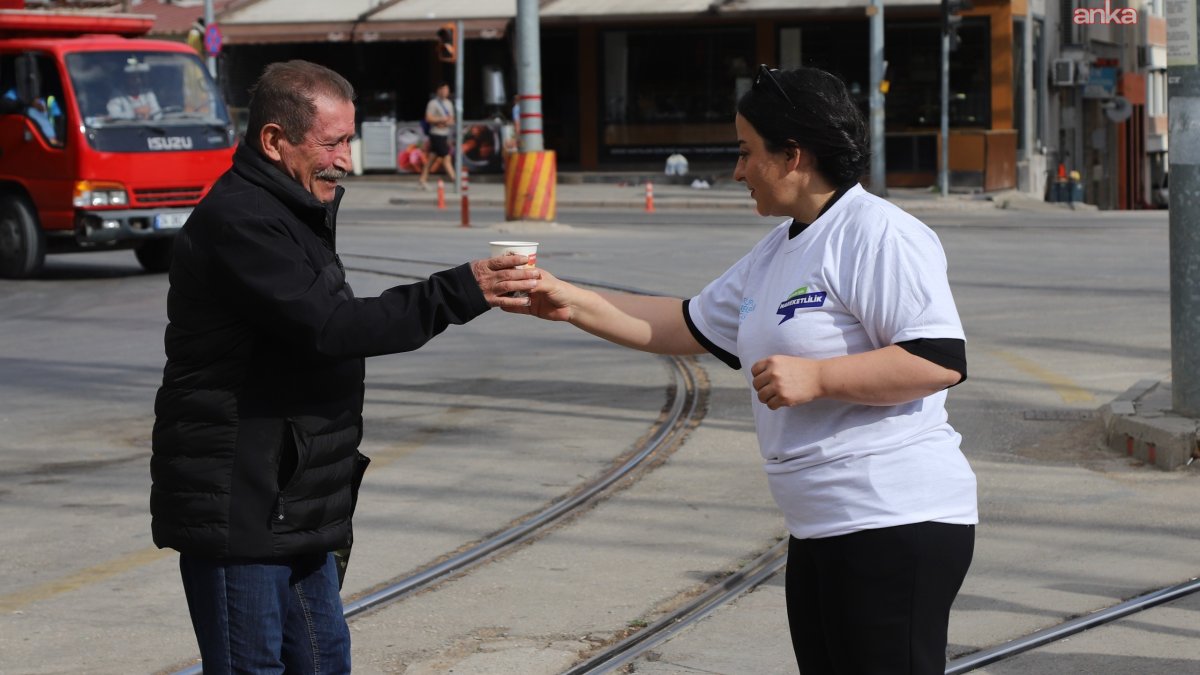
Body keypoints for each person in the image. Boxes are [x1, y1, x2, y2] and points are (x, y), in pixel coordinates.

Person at [511, 65, 976, 674]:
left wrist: (819, 378)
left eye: (745, 152)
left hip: (895, 518)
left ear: (793, 156)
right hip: (819, 526)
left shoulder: (877, 233)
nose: (736, 172)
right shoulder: (780, 249)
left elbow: (937, 359)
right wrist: (567, 300)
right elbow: (683, 323)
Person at [149, 60, 539, 672]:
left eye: (348, 139)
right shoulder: (241, 221)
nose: (347, 159)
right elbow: (332, 326)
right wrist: (461, 290)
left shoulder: (291, 208)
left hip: (299, 497)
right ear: (275, 141)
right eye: (332, 143)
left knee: (325, 662)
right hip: (244, 506)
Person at [419, 82, 456, 190]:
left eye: (446, 89)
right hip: (436, 134)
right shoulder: (433, 103)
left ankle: (423, 179)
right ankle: (455, 180)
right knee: (446, 157)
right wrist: (440, 120)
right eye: (443, 89)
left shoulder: (449, 103)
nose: (445, 92)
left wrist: (446, 123)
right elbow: (428, 118)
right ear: (438, 90)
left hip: (445, 133)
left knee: (432, 158)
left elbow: (451, 119)